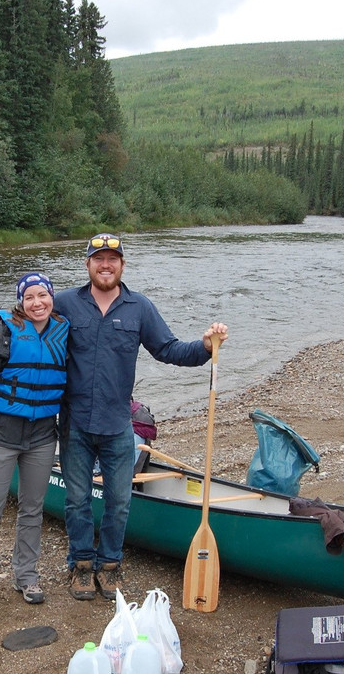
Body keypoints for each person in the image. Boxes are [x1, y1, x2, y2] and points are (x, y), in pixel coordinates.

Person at [53, 233, 228, 601]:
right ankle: (81, 565)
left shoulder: (139, 308)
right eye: (98, 259)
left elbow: (169, 349)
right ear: (87, 264)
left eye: (112, 259)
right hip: (74, 424)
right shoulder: (65, 303)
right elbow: (31, 327)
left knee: (119, 502)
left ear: (122, 265)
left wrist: (204, 347)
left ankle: (110, 565)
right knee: (77, 500)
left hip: (119, 424)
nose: (105, 265)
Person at [0, 272, 69, 617]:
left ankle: (26, 576)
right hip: (2, 434)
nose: (37, 303)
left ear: (51, 298)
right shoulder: (3, 331)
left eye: (42, 295)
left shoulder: (65, 332)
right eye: (29, 297)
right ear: (21, 301)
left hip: (42, 436)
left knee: (32, 509)